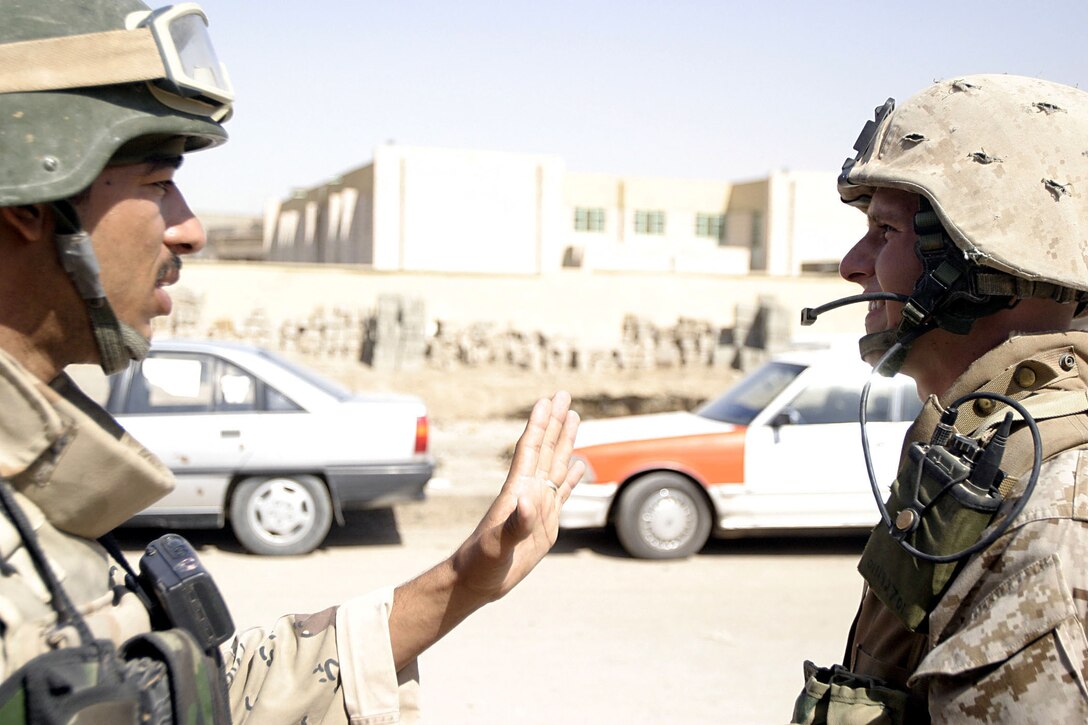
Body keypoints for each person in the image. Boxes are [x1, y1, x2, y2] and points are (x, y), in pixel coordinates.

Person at [0, 1, 583, 722]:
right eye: (156, 184)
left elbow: (202, 699)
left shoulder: (33, 490)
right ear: (31, 202)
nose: (191, 229)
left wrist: (464, 578)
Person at [793, 74, 1088, 723]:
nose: (851, 263)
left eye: (885, 231)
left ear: (981, 258)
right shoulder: (982, 453)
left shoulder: (1052, 525)